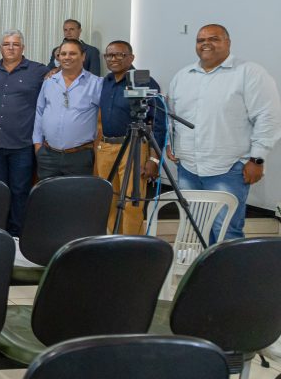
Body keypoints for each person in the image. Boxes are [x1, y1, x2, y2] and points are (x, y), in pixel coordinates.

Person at [169, 24, 281, 241]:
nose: (206, 44)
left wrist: (257, 159)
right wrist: (171, 145)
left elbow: (268, 118)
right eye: (200, 40)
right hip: (188, 168)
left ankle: (228, 275)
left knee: (226, 231)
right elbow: (173, 117)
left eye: (214, 39)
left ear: (228, 43)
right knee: (196, 229)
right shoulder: (183, 77)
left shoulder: (249, 73)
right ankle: (204, 273)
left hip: (228, 169)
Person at [96, 40, 166, 235]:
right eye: (109, 55)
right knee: (108, 198)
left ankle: (132, 245)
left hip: (133, 147)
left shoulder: (144, 82)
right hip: (107, 147)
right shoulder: (106, 82)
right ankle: (113, 241)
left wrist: (154, 158)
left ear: (131, 57)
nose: (114, 59)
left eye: (120, 55)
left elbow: (159, 123)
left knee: (131, 200)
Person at [0, 29, 48, 235]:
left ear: (23, 47)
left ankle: (17, 233)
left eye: (15, 44)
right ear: (0, 48)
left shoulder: (38, 71)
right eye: (6, 44)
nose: (10, 48)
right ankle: (0, 230)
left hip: (22, 143)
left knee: (20, 191)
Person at [33, 39, 103, 178]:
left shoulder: (96, 83)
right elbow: (40, 112)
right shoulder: (49, 82)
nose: (67, 57)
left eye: (72, 53)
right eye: (63, 54)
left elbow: (104, 119)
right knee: (47, 197)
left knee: (77, 198)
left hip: (80, 156)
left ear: (83, 56)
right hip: (48, 155)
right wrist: (37, 145)